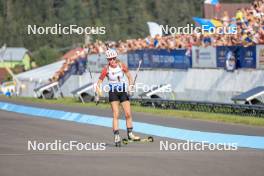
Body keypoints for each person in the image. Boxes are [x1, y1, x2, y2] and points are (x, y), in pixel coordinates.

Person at [95, 48, 140, 146]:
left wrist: (131, 87)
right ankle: (116, 136)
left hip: (123, 91)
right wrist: (98, 93)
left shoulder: (121, 65)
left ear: (115, 58)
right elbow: (99, 83)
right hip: (113, 92)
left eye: (112, 58)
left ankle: (130, 134)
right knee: (116, 114)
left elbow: (129, 77)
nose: (111, 61)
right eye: (109, 59)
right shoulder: (106, 69)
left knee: (128, 114)